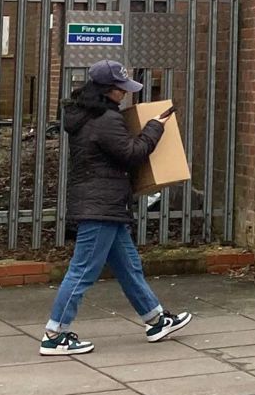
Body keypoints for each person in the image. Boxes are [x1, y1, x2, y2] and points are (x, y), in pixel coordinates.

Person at [41, 61, 195, 357]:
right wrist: (155, 126)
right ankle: (53, 334)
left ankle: (155, 320)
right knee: (83, 270)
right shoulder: (105, 119)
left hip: (102, 203)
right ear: (107, 90)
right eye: (121, 89)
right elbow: (132, 154)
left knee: (128, 266)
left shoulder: (86, 114)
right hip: (101, 206)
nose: (124, 94)